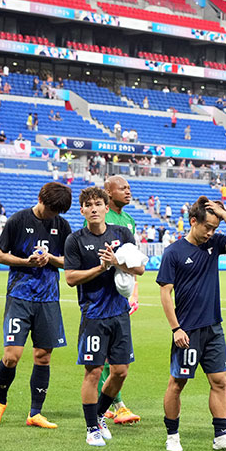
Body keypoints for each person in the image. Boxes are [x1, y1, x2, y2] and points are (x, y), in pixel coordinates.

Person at [157, 197, 226, 451]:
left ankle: (221, 435)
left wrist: (224, 214)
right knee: (178, 383)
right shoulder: (173, 252)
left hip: (213, 328)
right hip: (187, 330)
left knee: (219, 381)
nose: (211, 232)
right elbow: (165, 293)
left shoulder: (215, 244)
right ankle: (172, 435)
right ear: (193, 221)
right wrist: (176, 329)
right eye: (207, 226)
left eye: (214, 228)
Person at [64, 187, 145, 447]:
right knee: (93, 371)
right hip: (93, 314)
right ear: (83, 211)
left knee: (120, 371)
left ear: (106, 208)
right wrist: (100, 268)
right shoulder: (75, 240)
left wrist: (116, 264)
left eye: (98, 203)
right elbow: (70, 278)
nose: (94, 208)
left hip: (119, 313)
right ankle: (91, 429)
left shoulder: (122, 233)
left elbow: (140, 269)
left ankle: (99, 415)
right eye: (89, 205)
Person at [0, 182, 72, 428]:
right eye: (50, 210)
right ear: (40, 199)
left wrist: (51, 258)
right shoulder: (17, 220)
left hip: (48, 299)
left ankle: (35, 413)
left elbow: (69, 261)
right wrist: (27, 261)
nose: (52, 215)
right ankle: (0, 402)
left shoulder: (62, 225)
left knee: (43, 356)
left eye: (57, 212)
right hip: (20, 296)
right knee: (12, 356)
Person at [90, 176, 142, 424]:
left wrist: (135, 290)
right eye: (123, 188)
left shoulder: (129, 221)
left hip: (121, 294)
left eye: (129, 187)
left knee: (115, 356)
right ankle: (114, 405)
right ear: (109, 193)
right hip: (100, 296)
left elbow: (134, 259)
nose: (128, 191)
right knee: (104, 357)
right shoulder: (100, 218)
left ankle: (109, 405)